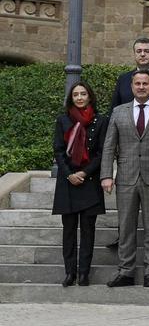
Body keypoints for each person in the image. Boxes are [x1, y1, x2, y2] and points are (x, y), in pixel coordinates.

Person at [101, 69, 149, 288]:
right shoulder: (118, 112)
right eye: (137, 84)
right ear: (131, 87)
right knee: (125, 227)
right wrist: (107, 174)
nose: (141, 87)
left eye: (145, 83)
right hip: (126, 177)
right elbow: (109, 146)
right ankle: (126, 271)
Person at [53, 82, 109, 288]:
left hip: (89, 180)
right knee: (68, 230)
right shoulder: (63, 120)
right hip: (68, 182)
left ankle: (84, 273)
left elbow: (102, 152)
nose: (79, 97)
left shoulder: (101, 121)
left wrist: (84, 172)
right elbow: (58, 150)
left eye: (83, 94)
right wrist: (69, 175)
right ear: (71, 98)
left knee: (88, 230)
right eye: (75, 94)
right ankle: (70, 272)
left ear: (90, 96)